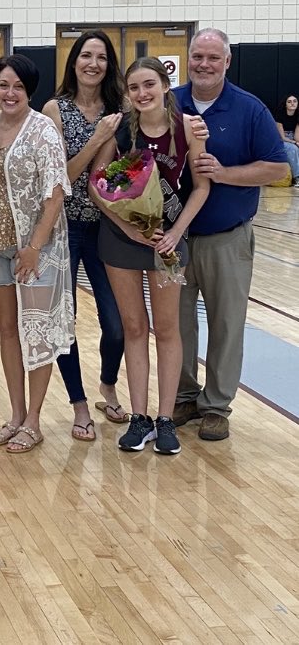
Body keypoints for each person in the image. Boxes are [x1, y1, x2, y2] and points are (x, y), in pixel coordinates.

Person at [173, 29, 288, 441]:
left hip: (227, 238)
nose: (204, 64)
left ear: (227, 61)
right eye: (197, 56)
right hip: (175, 240)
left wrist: (224, 175)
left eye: (212, 57)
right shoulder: (172, 103)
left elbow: (277, 169)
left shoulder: (249, 109)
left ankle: (216, 405)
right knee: (177, 324)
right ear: (188, 58)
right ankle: (183, 395)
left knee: (226, 324)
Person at [91, 57, 209, 456]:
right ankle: (139, 418)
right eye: (134, 87)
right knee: (133, 327)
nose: (142, 94)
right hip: (121, 241)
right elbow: (96, 183)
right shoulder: (120, 128)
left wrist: (176, 232)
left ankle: (164, 419)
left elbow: (201, 188)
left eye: (149, 85)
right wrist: (125, 227)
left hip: (167, 242)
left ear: (164, 84)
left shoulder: (189, 127)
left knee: (168, 328)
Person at [0, 55, 73, 455]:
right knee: (10, 333)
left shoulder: (43, 129)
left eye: (17, 86)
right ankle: (15, 415)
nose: (9, 93)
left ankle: (34, 420)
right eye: (3, 85)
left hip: (37, 250)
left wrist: (34, 247)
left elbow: (56, 192)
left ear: (28, 90)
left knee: (37, 334)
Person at [43, 30, 127, 443]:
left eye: (101, 57)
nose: (93, 63)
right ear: (74, 61)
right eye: (86, 55)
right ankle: (78, 405)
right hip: (63, 228)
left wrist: (104, 143)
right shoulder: (54, 110)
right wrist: (96, 139)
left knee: (117, 324)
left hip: (106, 228)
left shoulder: (118, 111)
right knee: (65, 323)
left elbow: (102, 180)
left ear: (109, 65)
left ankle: (107, 384)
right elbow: (65, 181)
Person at [274, 95, 299, 181]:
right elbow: (282, 138)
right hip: (281, 139)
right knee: (293, 149)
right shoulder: (280, 115)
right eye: (289, 102)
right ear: (285, 105)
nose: (292, 103)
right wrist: (294, 143)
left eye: (295, 101)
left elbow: (296, 136)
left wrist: (297, 142)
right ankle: (297, 177)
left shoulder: (298, 115)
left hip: (292, 138)